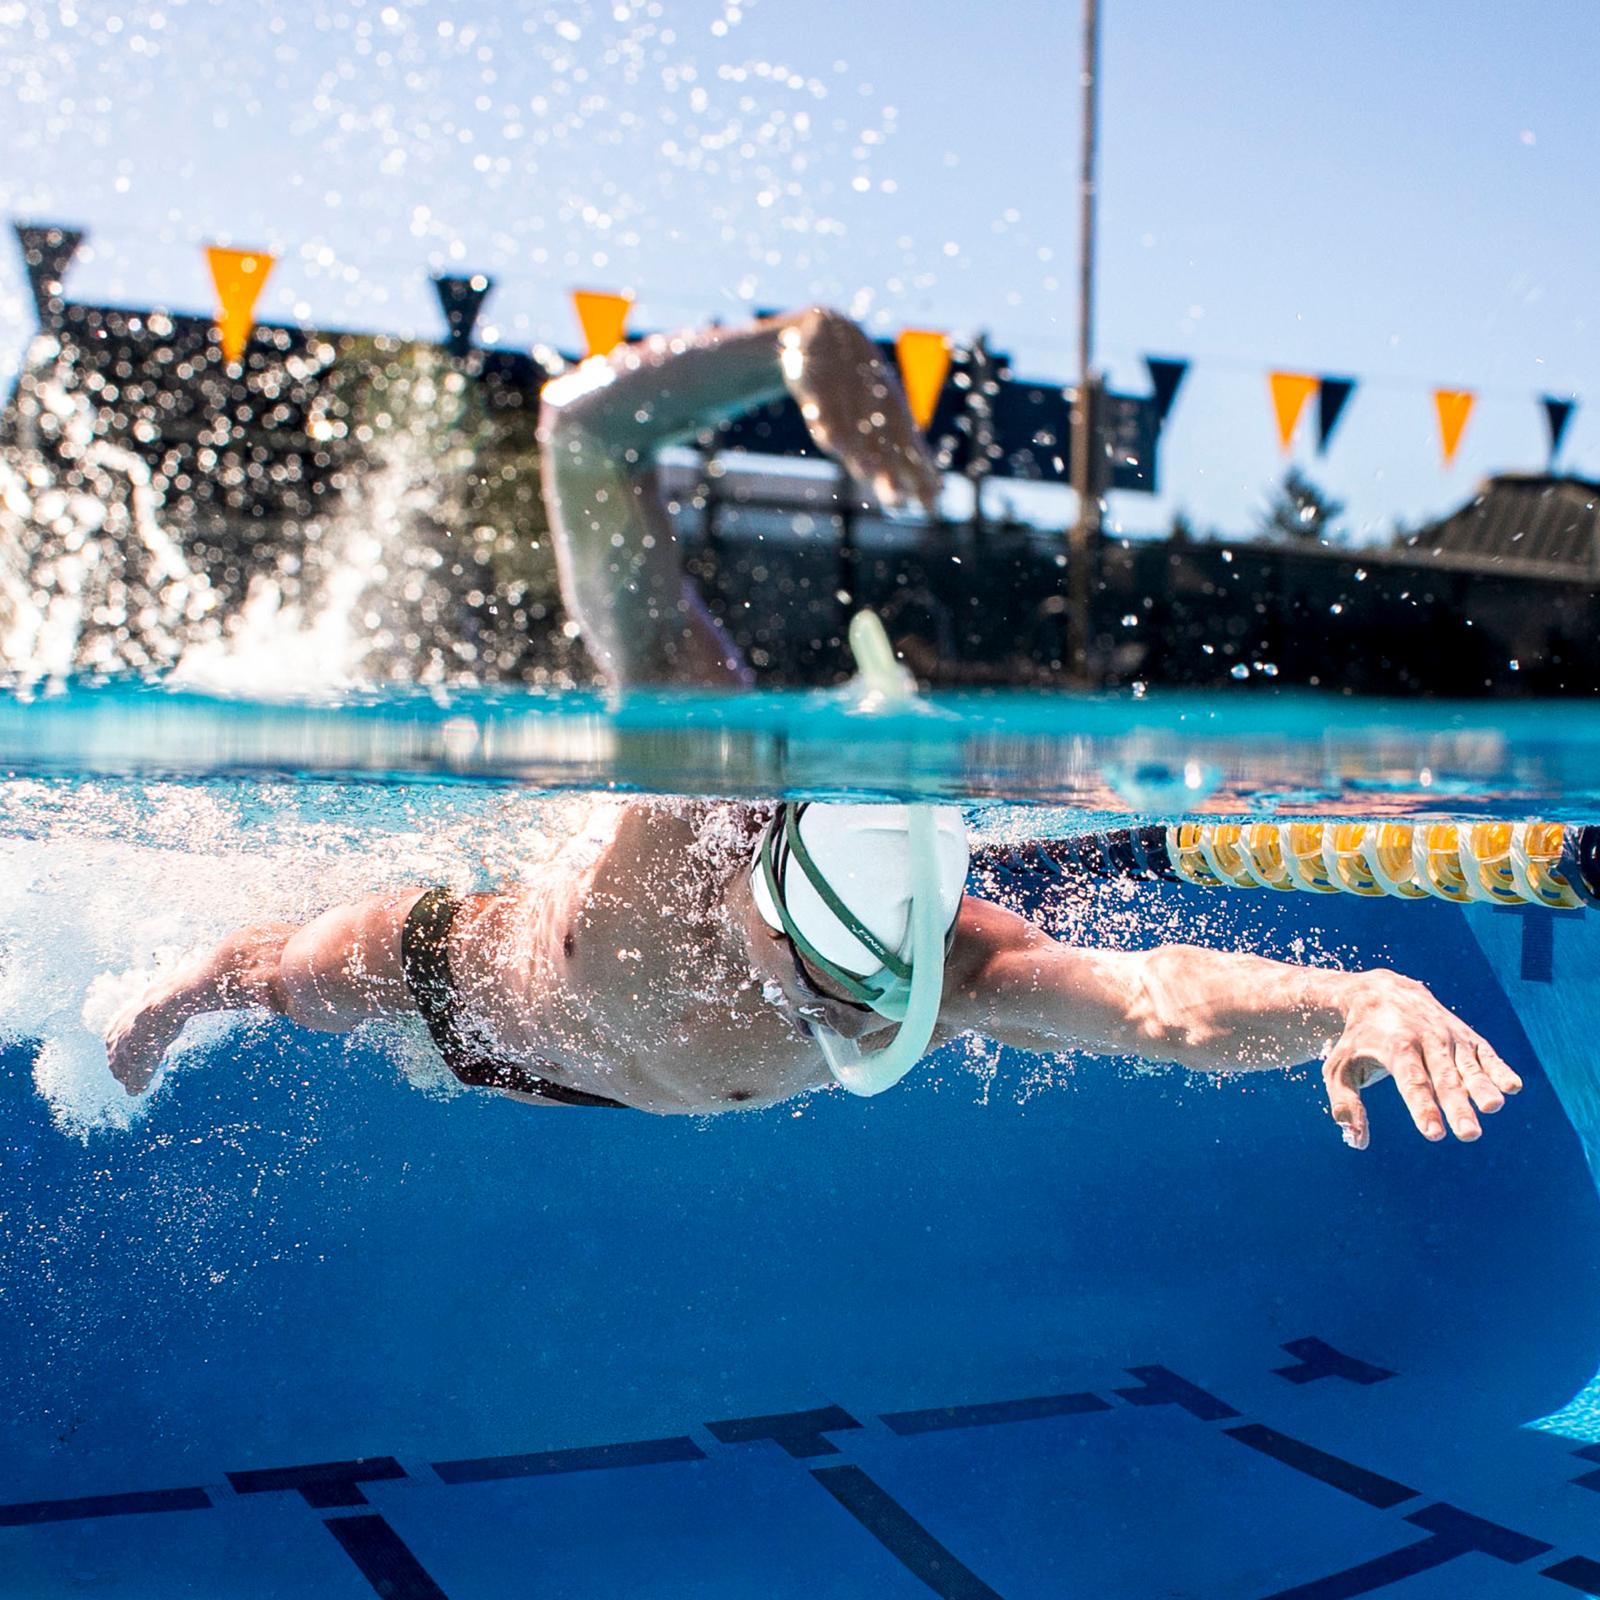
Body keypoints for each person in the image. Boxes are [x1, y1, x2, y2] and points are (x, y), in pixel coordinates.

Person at [105, 307, 1522, 1148]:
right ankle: (181, 982)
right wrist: (789, 347)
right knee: (271, 976)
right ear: (765, 910)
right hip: (465, 994)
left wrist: (1354, 999)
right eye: (854, 1002)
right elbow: (586, 437)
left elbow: (1156, 999)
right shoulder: (693, 796)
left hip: (605, 1084)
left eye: (885, 1006)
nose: (865, 1022)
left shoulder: (939, 953)